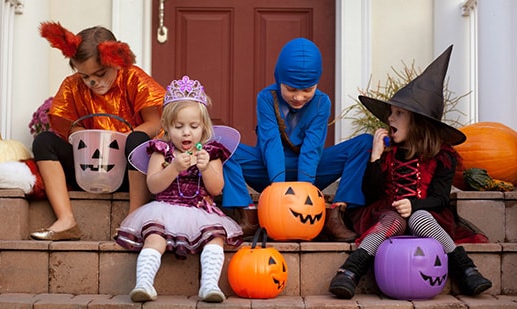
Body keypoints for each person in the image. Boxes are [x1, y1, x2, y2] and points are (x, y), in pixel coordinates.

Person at [329, 45, 492, 299]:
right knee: (394, 218)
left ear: (418, 122)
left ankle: (466, 268)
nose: (390, 119)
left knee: (418, 218)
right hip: (386, 214)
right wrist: (375, 157)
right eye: (391, 113)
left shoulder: (443, 156)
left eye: (398, 114)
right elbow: (370, 193)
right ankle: (350, 270)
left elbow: (440, 198)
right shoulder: (388, 152)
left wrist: (415, 205)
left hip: (427, 215)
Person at [222, 37, 372, 240]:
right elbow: (271, 142)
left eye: (307, 90)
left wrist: (305, 192)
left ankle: (336, 214)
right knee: (223, 145)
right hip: (267, 170)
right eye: (291, 89)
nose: (299, 97)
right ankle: (248, 215)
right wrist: (278, 190)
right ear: (279, 79)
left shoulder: (321, 102)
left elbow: (313, 147)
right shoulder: (266, 98)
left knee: (363, 143)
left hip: (311, 172)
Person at [30, 21, 165, 241]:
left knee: (137, 140)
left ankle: (134, 219)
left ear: (117, 61)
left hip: (129, 169)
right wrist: (83, 135)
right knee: (44, 141)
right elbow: (68, 126)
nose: (93, 82)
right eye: (85, 76)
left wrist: (124, 139)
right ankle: (66, 220)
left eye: (101, 74)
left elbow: (156, 123)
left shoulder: (133, 78)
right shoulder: (73, 86)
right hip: (90, 167)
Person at [115, 76, 244, 303]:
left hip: (199, 211)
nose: (186, 133)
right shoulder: (162, 151)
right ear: (166, 127)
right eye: (179, 126)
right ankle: (144, 283)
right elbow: (153, 185)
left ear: (204, 127)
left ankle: (209, 285)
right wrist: (173, 167)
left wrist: (205, 169)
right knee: (154, 237)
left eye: (193, 127)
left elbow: (217, 188)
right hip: (164, 208)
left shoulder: (210, 153)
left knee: (215, 239)